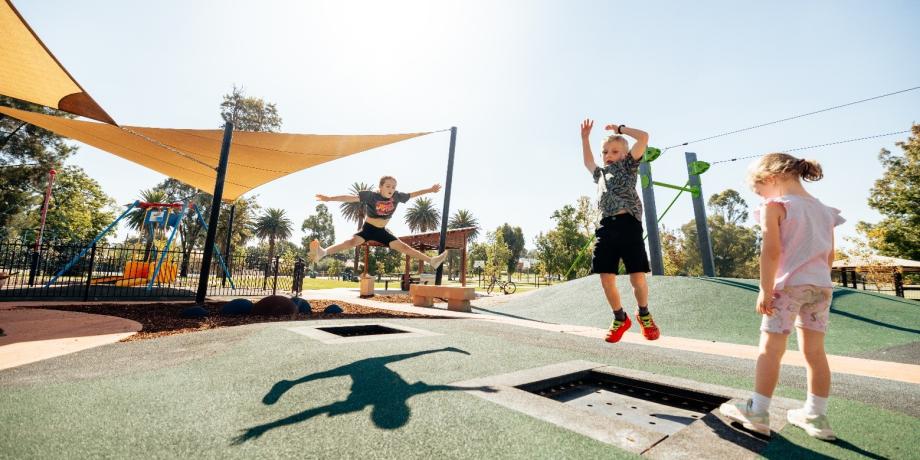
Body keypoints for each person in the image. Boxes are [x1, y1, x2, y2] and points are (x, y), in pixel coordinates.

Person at [719, 153, 844, 440]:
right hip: (821, 288)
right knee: (815, 353)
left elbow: (771, 251)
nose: (759, 196)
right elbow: (830, 255)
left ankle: (758, 411)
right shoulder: (826, 211)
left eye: (758, 189)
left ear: (770, 178)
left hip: (788, 287)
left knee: (771, 349)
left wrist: (765, 288)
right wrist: (819, 281)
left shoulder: (775, 207)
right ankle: (816, 417)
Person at [580, 119, 659, 343]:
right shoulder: (600, 174)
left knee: (637, 277)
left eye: (614, 151)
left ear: (625, 155)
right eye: (605, 151)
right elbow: (588, 162)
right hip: (606, 227)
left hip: (629, 225)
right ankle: (619, 317)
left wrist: (621, 130)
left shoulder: (628, 166)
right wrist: (585, 139)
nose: (608, 155)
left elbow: (644, 137)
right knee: (606, 277)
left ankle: (643, 313)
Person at [310, 176, 448, 269]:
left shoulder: (397, 196)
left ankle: (432, 261)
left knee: (405, 248)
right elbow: (351, 198)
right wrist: (329, 198)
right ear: (381, 187)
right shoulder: (371, 196)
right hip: (368, 229)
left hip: (382, 232)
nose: (391, 189)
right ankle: (323, 253)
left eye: (393, 187)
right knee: (350, 242)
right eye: (388, 186)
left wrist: (430, 190)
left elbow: (413, 194)